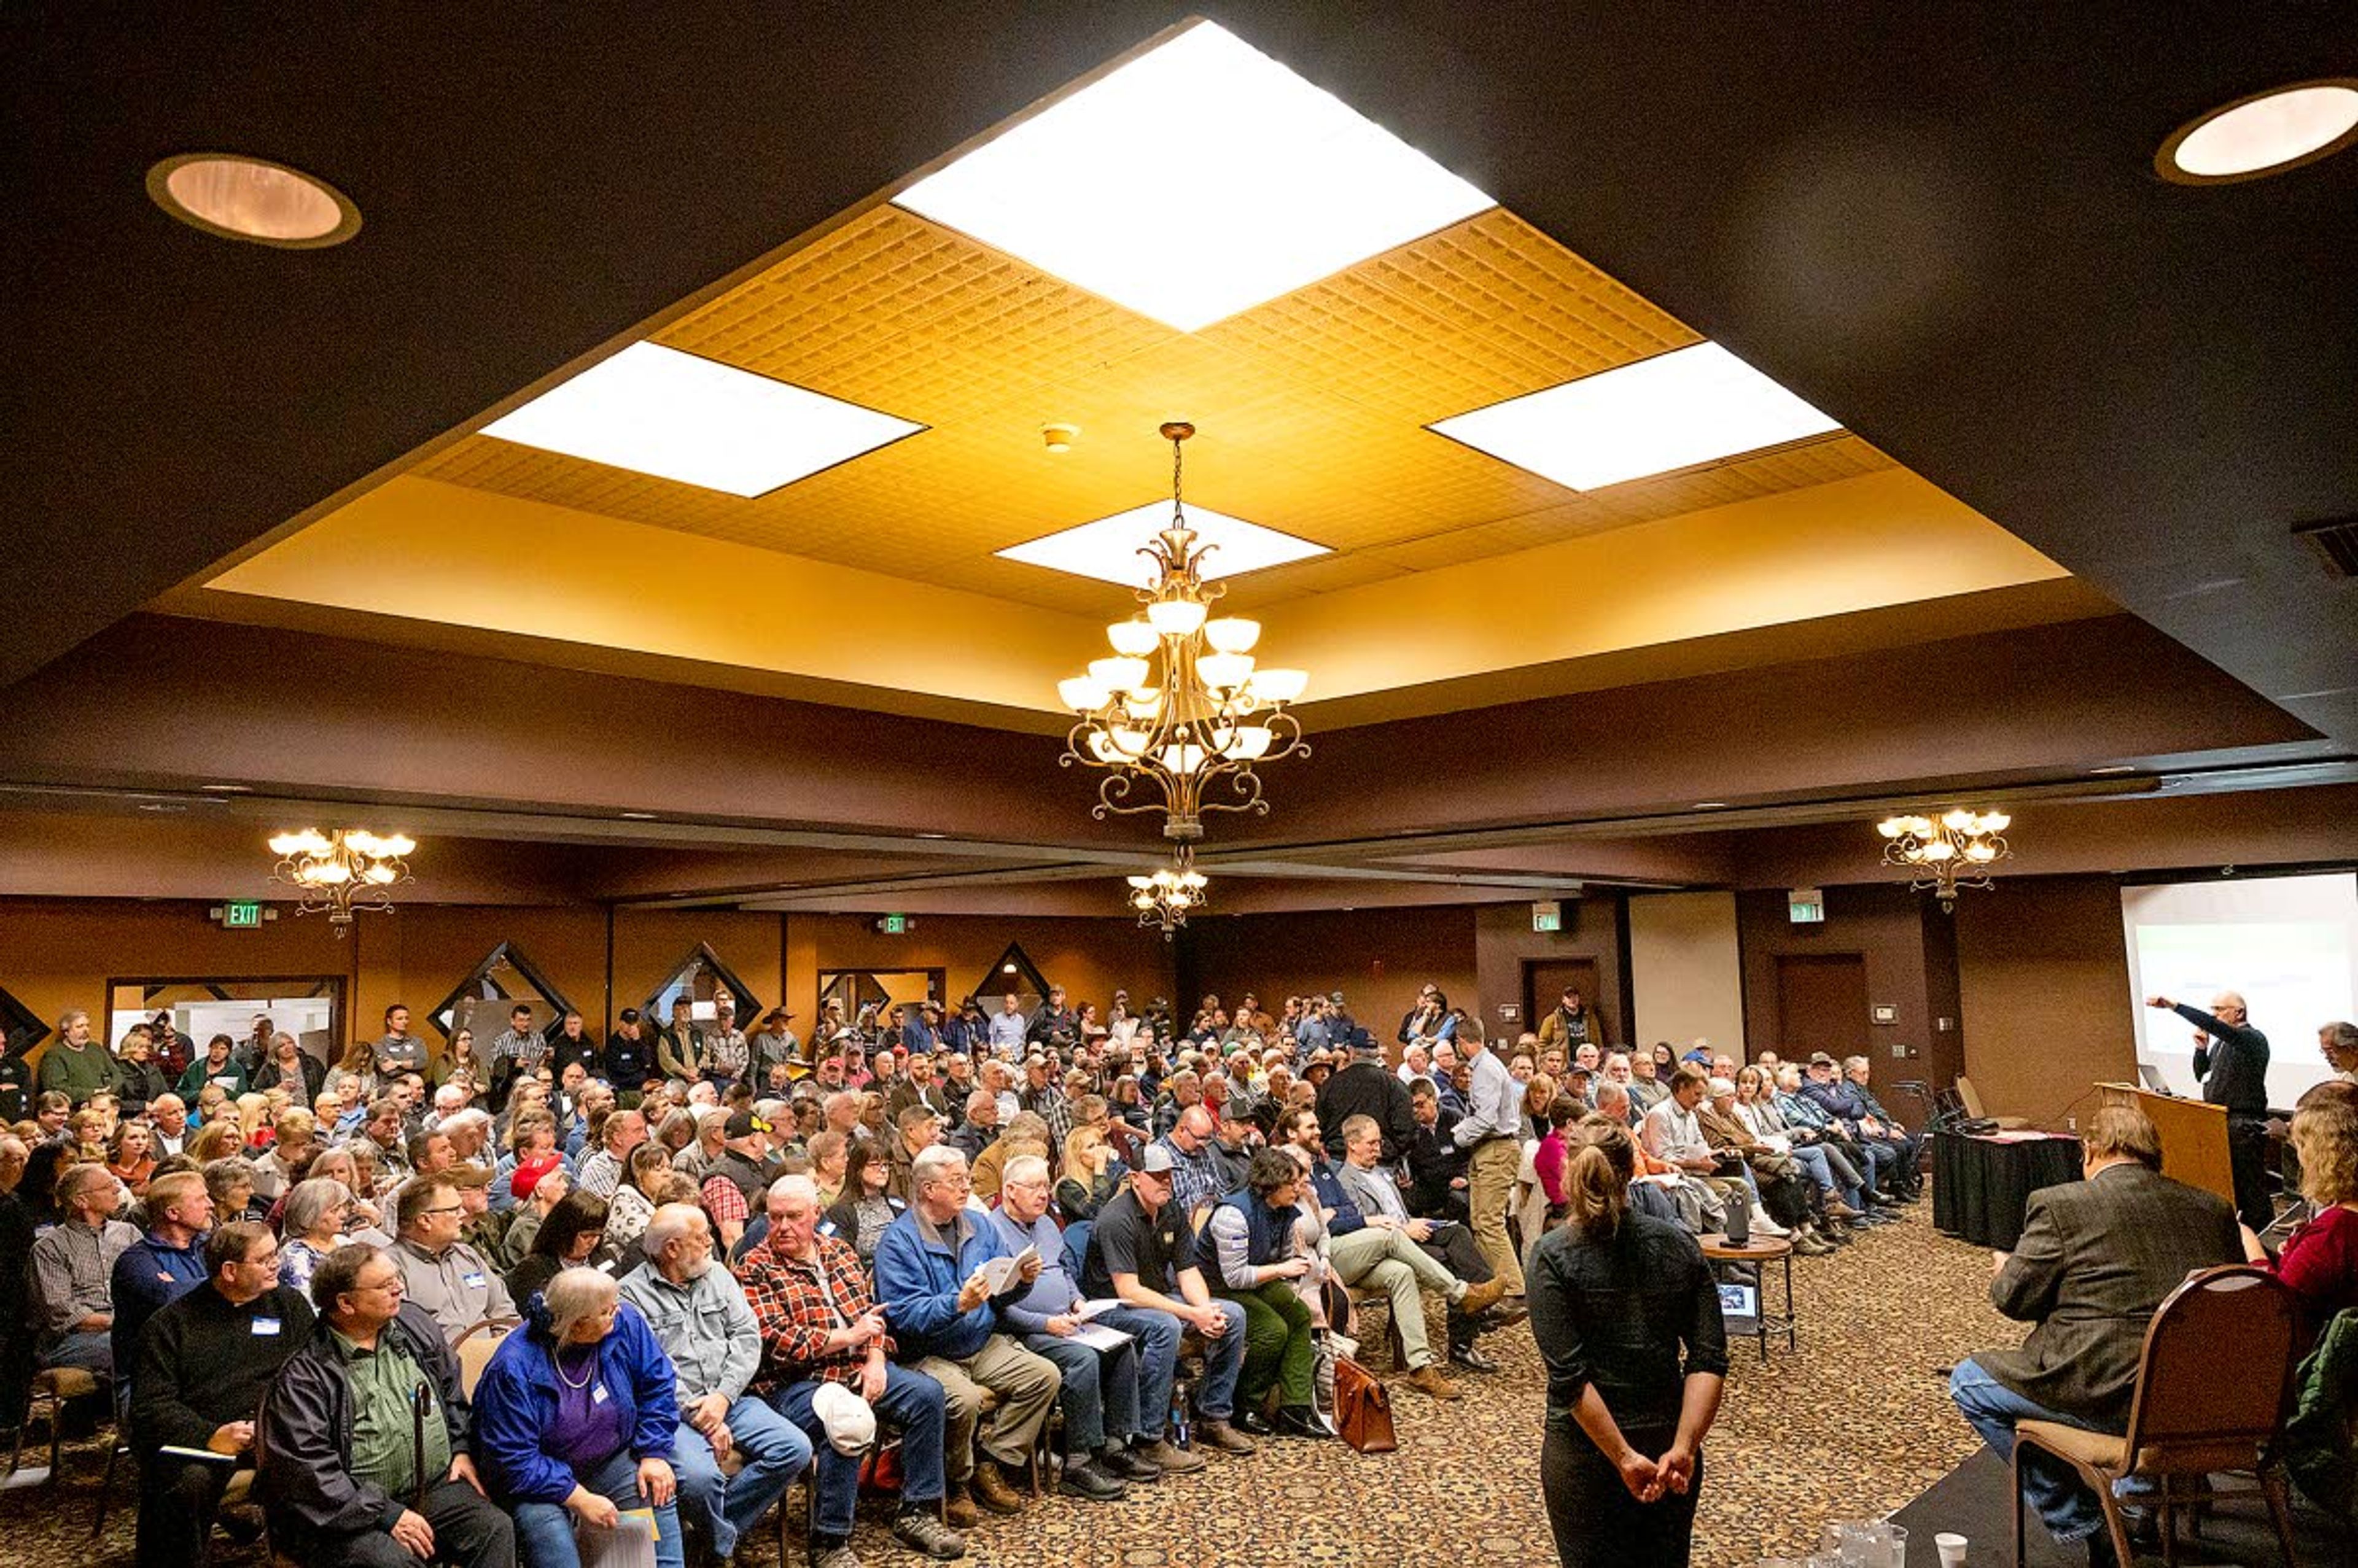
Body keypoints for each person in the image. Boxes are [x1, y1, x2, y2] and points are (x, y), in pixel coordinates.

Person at [1948, 1105, 2242, 1566]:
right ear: (2154, 1155)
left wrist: (2005, 1268)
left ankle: (2083, 1519)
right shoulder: (2214, 1209)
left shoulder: (2060, 1205)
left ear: (2089, 1151)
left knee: (1968, 1382)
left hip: (2108, 1399)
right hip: (2203, 1400)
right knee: (2146, 1357)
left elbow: (2013, 1301)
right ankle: (2139, 1498)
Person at [736, 1174, 968, 1564]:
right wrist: (848, 1338)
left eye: (794, 1217)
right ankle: (829, 1539)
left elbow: (872, 1317)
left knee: (927, 1394)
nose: (783, 1227)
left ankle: (917, 1512)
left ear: (816, 1214)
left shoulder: (839, 1252)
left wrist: (876, 1358)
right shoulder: (755, 1267)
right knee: (844, 1417)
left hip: (857, 1367)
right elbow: (776, 1340)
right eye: (775, 1218)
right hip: (793, 1384)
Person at [1528, 1119, 1726, 1568]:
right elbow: (1709, 1359)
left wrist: (1623, 1456)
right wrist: (1685, 1445)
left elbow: (1570, 1379)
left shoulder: (1552, 1255)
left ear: (1569, 1174)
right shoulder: (1679, 1245)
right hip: (1668, 1446)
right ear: (1633, 1171)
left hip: (1586, 1452)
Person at [265, 1243, 515, 1568]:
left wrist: (461, 1447)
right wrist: (388, 1514)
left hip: (431, 1487)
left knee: (495, 1529)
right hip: (342, 1512)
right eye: (384, 1285)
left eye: (396, 1278)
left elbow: (451, 1394)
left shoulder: (415, 1326)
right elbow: (309, 1474)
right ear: (346, 1303)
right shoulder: (305, 1375)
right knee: (391, 1562)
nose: (398, 1288)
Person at [872, 1144, 1060, 1516]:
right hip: (927, 1352)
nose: (966, 1187)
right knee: (965, 1400)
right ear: (928, 1189)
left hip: (979, 1340)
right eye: (957, 1180)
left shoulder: (980, 1225)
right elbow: (905, 1317)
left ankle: (992, 1461)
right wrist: (958, 1304)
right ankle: (956, 1482)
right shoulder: (899, 1242)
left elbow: (1000, 1294)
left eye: (967, 1179)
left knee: (1044, 1376)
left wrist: (1021, 1282)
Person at [618, 1205, 812, 1564]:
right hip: (671, 1414)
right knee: (699, 1477)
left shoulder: (718, 1275)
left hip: (733, 1399)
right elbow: (647, 1370)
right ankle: (720, 1544)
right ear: (672, 1249)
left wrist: (722, 1398)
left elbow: (747, 1337)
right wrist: (701, 1415)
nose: (711, 1242)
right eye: (700, 1237)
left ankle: (711, 1539)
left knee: (794, 1448)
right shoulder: (629, 1296)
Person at [129, 1221, 314, 1568]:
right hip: (207, 1442)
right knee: (186, 1485)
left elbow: (314, 1376)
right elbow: (151, 1408)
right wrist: (210, 1435)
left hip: (281, 1434)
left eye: (275, 1254)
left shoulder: (288, 1306)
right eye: (264, 1259)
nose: (277, 1264)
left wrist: (282, 1425)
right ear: (229, 1271)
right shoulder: (171, 1325)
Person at [472, 1266, 684, 1568]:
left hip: (610, 1460)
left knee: (656, 1489)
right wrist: (578, 1497)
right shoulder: (513, 1368)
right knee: (555, 1545)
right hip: (535, 1482)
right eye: (607, 1311)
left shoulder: (624, 1323)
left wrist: (653, 1452)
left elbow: (657, 1383)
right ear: (578, 1325)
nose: (617, 1313)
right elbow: (513, 1460)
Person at [989, 1154, 1158, 1497]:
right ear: (1010, 1190)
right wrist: (1046, 1323)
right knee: (1082, 1361)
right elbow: (997, 1306)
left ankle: (1114, 1445)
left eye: (1046, 1187)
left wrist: (1078, 1301)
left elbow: (1063, 1272)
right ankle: (1078, 1463)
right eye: (1035, 1187)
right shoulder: (992, 1232)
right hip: (1024, 1331)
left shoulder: (1048, 1224)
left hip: (1068, 1320)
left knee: (1121, 1346)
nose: (1044, 1195)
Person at [1202, 1148, 1326, 1438]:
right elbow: (1234, 1277)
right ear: (1271, 1184)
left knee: (1297, 1313)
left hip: (1258, 1279)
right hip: (1216, 1287)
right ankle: (1247, 1403)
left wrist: (1289, 1272)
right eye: (1293, 1183)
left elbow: (1279, 1260)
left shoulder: (1285, 1211)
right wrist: (1284, 1269)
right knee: (1272, 1330)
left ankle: (1295, 1407)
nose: (1300, 1188)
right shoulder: (1233, 1214)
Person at [2146, 990, 2274, 1230]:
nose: (2213, 1015)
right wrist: (2201, 1050)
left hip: (2243, 1124)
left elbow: (2211, 1025)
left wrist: (2175, 1006)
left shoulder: (2252, 1039)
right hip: (2219, 1121)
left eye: (2218, 1009)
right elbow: (2201, 1075)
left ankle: (2263, 1240)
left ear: (2239, 1012)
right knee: (2232, 1186)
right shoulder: (2221, 1045)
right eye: (2212, 1010)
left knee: (2251, 1188)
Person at [2243, 1088, 2358, 1335]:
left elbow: (2275, 1310)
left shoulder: (2330, 1235)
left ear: (2328, 1155)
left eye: (2303, 1145)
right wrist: (2298, 1249)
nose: (2299, 1154)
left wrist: (2250, 1245)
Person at [31, 1162, 139, 1374]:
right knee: (134, 1347)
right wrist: (122, 1323)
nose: (118, 1189)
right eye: (108, 1186)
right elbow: (63, 1313)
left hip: (128, 1326)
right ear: (82, 1201)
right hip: (74, 1339)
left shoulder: (129, 1234)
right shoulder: (50, 1248)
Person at [111, 1167, 216, 1380]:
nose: (211, 1205)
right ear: (173, 1213)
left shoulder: (210, 1247)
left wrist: (188, 1284)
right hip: (149, 1378)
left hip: (204, 1365)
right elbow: (168, 1296)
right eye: (201, 1199)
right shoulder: (136, 1261)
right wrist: (223, 1283)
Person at [1449, 1017, 1528, 1295]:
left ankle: (1513, 1289)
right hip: (1490, 1149)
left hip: (1496, 1148)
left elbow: (1485, 1119)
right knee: (1481, 1222)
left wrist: (1457, 1137)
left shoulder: (1485, 1071)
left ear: (1461, 1041)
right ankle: (1498, 1285)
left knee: (1489, 1223)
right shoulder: (1487, 1066)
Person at [391, 1173, 518, 1344]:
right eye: (454, 1210)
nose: (463, 1214)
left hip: (493, 1360)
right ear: (425, 1220)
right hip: (438, 1367)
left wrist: (499, 1348)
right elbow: (402, 1338)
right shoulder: (390, 1268)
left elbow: (504, 1311)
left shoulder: (467, 1255)